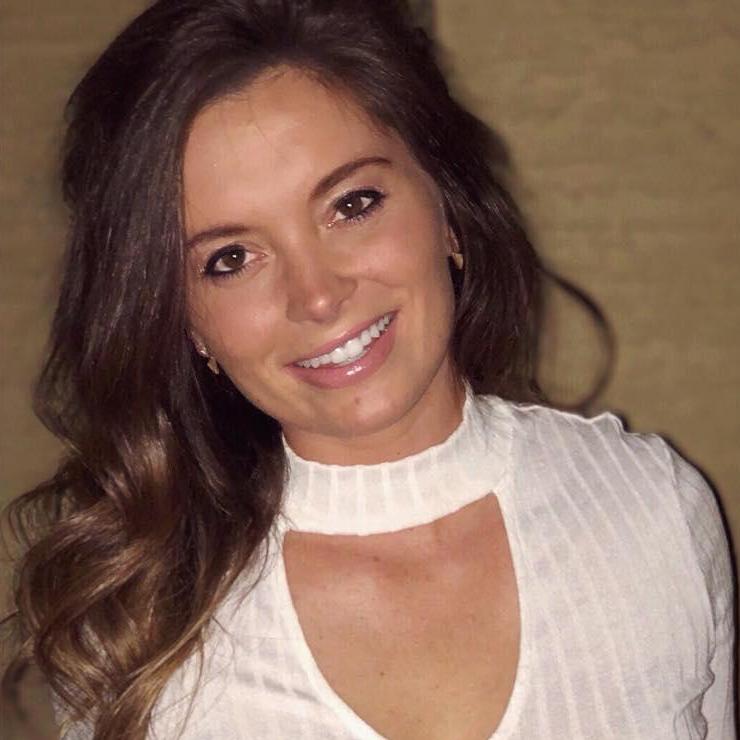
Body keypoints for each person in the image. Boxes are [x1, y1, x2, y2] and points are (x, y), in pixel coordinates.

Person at [3, 1, 735, 738]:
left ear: (447, 207)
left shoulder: (653, 512)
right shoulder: (136, 634)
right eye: (232, 258)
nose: (317, 295)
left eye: (352, 204)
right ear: (187, 324)